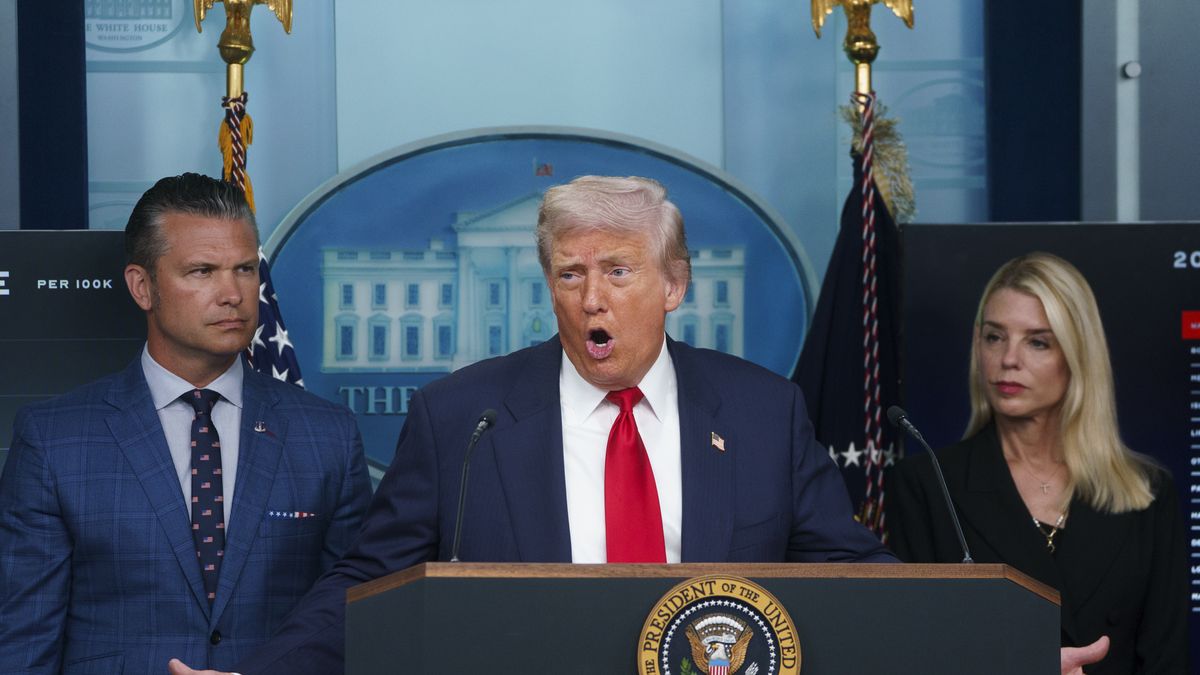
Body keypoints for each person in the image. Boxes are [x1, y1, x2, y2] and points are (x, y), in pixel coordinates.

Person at [165, 174, 894, 675]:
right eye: (570, 274)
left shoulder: (764, 412)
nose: (591, 299)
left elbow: (852, 574)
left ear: (674, 285)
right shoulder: (461, 418)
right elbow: (368, 586)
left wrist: (977, 622)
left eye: (618, 270)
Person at [0, 173, 372, 674]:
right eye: (201, 271)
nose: (232, 294)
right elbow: (23, 644)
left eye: (244, 269)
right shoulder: (55, 440)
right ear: (142, 286)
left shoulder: (326, 435)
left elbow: (354, 623)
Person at [886, 252, 1188, 674]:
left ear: (1078, 355)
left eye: (1037, 341)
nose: (1009, 359)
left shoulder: (1149, 494)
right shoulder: (926, 485)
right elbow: (911, 655)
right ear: (977, 344)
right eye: (995, 337)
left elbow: (1167, 660)